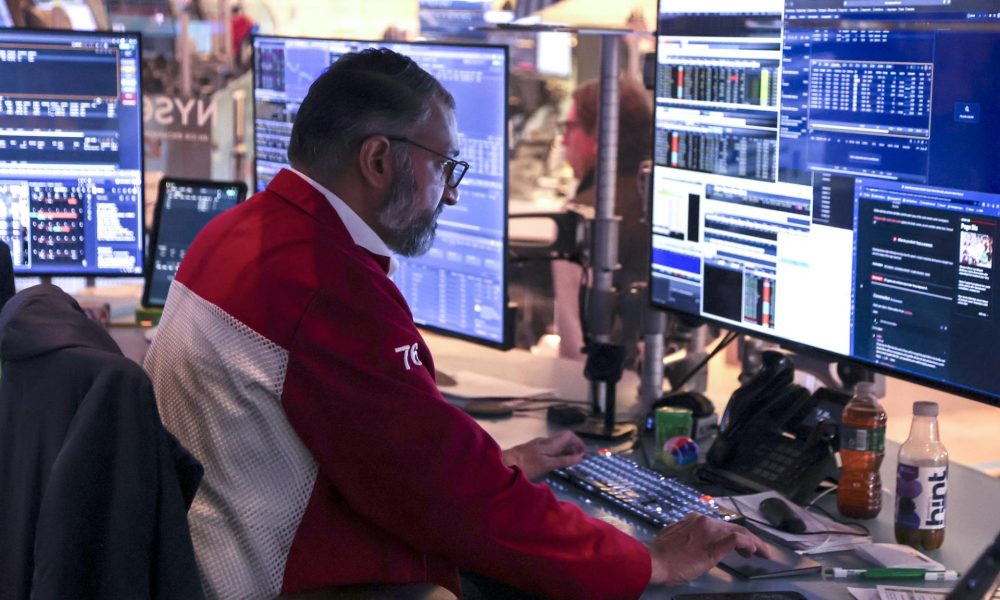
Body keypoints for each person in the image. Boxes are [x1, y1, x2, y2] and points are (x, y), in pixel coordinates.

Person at [144, 48, 766, 599]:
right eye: (445, 166)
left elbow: (394, 457)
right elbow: (448, 502)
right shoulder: (326, 288)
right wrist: (645, 561)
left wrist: (495, 467)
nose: (451, 195)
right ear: (379, 160)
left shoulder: (240, 232)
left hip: (223, 560)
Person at [553, 76, 653, 363]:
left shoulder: (582, 217)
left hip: (606, 390)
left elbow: (574, 345)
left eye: (569, 128)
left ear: (599, 136)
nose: (563, 140)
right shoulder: (661, 197)